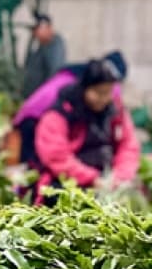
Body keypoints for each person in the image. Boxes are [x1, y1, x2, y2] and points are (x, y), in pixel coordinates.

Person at [28, 56, 138, 204]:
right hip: (66, 183)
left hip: (104, 181)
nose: (103, 98)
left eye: (108, 92)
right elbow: (56, 157)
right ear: (85, 88)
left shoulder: (115, 111)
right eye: (98, 93)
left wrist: (120, 177)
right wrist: (92, 179)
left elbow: (128, 145)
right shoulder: (59, 114)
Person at [21, 15, 67, 99]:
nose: (34, 33)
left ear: (48, 27)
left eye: (37, 29)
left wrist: (43, 94)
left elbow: (54, 71)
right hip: (32, 96)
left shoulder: (54, 44)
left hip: (43, 97)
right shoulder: (39, 44)